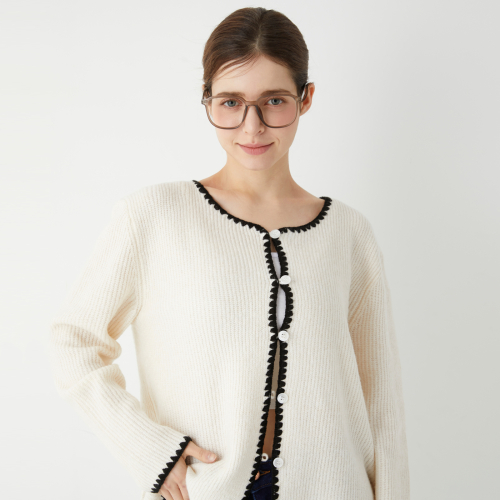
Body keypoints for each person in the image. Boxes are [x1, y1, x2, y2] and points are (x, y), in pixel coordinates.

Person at [49, 7, 410, 500]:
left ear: (305, 99)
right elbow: (74, 341)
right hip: (207, 489)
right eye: (231, 102)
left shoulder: (348, 233)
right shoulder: (154, 217)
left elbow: (381, 400)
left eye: (274, 101)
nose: (251, 126)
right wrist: (151, 449)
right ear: (207, 100)